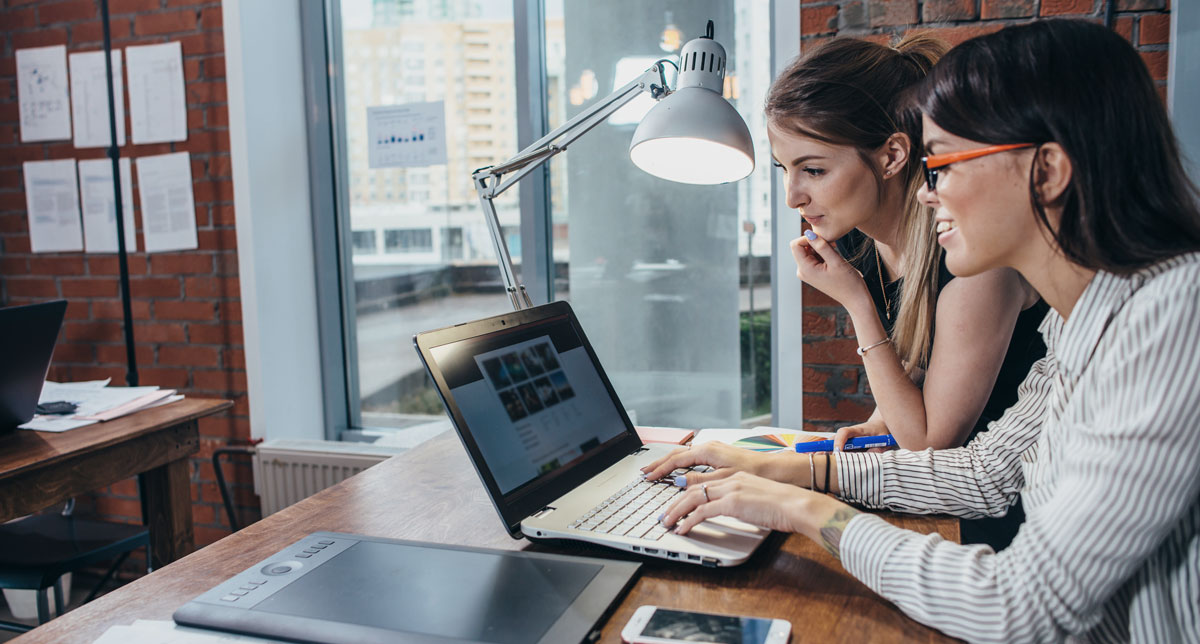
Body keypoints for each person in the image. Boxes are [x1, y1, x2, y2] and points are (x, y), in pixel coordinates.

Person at [645, 19, 1200, 641]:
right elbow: (984, 473)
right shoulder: (1083, 325)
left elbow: (1018, 605)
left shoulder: (1173, 318)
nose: (929, 194)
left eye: (945, 165)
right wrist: (792, 474)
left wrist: (807, 509)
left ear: (1047, 170)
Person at [766, 34, 1047, 550]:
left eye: (814, 170)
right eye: (784, 170)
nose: (793, 197)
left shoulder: (975, 257)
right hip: (940, 500)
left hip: (1000, 524)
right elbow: (918, 375)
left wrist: (856, 302)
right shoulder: (860, 239)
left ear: (893, 155)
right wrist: (878, 425)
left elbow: (928, 442)